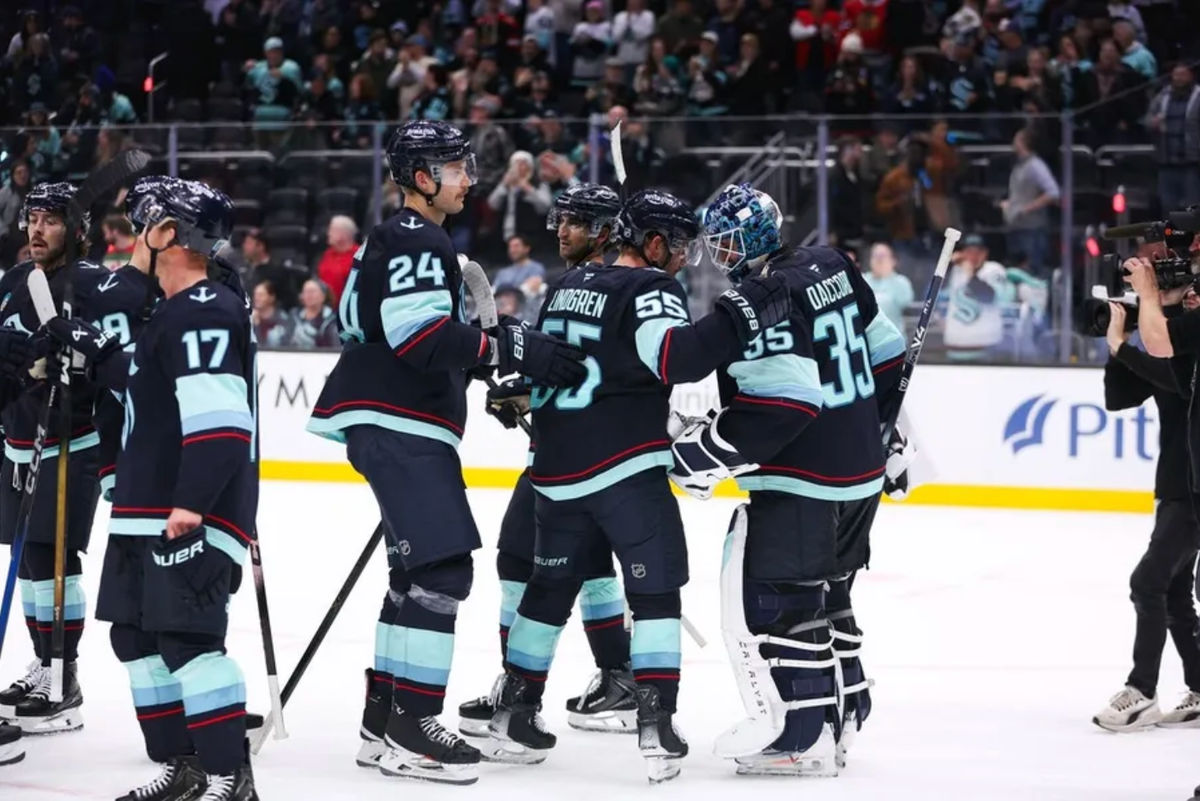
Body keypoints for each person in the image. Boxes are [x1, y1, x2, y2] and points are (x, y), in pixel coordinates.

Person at [306, 120, 588, 786]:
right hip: (399, 420)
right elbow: (419, 338)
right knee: (443, 568)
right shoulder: (417, 235)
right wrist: (505, 347)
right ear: (422, 177)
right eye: (454, 167)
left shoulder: (396, 239)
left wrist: (485, 364)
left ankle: (384, 721)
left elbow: (386, 327)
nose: (467, 177)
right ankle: (415, 724)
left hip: (396, 420)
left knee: (412, 575)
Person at [485, 189, 792, 783]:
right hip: (625, 469)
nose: (682, 259)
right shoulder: (651, 287)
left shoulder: (567, 284)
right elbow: (676, 359)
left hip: (554, 469)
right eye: (677, 246)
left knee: (548, 590)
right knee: (655, 596)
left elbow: (556, 364)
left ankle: (514, 712)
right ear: (652, 243)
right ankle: (656, 721)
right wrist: (742, 311)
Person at [680, 182, 910, 777]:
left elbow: (784, 404)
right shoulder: (829, 263)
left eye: (726, 242)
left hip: (804, 476)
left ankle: (801, 734)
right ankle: (847, 709)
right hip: (861, 469)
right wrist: (889, 431)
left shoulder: (765, 296)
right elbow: (886, 352)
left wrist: (701, 452)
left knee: (780, 603)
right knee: (831, 593)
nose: (721, 253)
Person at [44, 176, 260, 800]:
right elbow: (148, 394)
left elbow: (221, 424)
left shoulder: (207, 309)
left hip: (182, 509)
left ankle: (229, 776)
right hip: (142, 506)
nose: (139, 233)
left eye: (149, 222)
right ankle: (184, 765)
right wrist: (96, 352)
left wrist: (192, 504)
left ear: (171, 234)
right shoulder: (171, 312)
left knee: (189, 641)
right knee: (135, 637)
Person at [459, 184, 642, 740]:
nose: (560, 231)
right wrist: (525, 390)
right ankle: (618, 678)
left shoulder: (598, 289)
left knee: (521, 561)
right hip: (572, 453)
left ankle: (522, 690)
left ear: (606, 232)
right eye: (560, 220)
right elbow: (564, 367)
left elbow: (600, 372)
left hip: (577, 460)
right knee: (585, 568)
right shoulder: (573, 286)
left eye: (575, 222)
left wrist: (529, 376)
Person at [0, 182, 146, 736]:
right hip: (17, 439)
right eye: (32, 218)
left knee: (56, 561)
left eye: (50, 220)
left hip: (71, 440)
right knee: (32, 564)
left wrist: (78, 366)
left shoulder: (95, 284)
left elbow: (121, 352)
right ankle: (44, 665)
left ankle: (64, 681)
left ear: (75, 228)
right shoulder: (15, 281)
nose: (37, 229)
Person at [1094, 288, 1200, 731]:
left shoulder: (1188, 353)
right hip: (1177, 484)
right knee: (1173, 590)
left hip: (1193, 491)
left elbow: (1173, 378)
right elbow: (1119, 397)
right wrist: (1116, 346)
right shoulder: (1174, 349)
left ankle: (1141, 690)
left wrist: (1125, 345)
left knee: (1148, 581)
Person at [942, 233, 1014, 360]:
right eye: (969, 251)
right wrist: (947, 263)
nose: (973, 256)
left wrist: (970, 274)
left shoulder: (994, 270)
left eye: (978, 252)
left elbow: (988, 296)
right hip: (954, 349)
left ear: (985, 253)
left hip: (986, 349)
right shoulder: (956, 270)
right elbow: (933, 291)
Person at [241, 227, 299, 310]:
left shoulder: (278, 271)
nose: (244, 246)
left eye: (248, 243)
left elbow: (288, 300)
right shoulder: (244, 269)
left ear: (261, 246)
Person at [863, 241, 915, 330]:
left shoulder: (901, 282)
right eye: (875, 256)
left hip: (893, 338)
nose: (879, 260)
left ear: (893, 261)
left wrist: (885, 275)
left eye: (882, 256)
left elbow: (905, 303)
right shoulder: (862, 280)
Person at [316, 215, 359, 304]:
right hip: (325, 308)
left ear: (343, 234)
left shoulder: (359, 256)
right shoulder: (327, 254)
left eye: (332, 230)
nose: (328, 233)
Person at [288, 278, 340, 349]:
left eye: (312, 291)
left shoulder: (332, 319)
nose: (308, 295)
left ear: (323, 296)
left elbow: (334, 346)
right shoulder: (294, 315)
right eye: (305, 292)